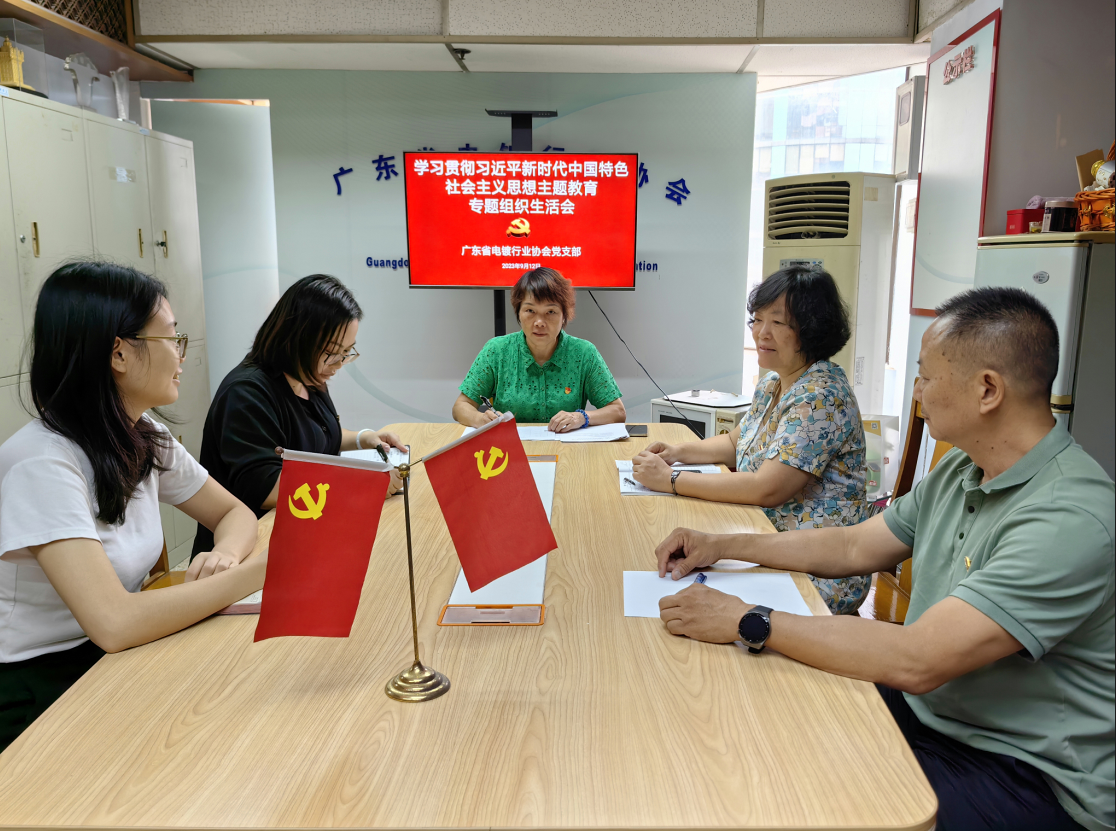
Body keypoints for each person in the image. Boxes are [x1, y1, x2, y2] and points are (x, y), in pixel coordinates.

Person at [654, 287, 1114, 831]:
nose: (916, 391)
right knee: (759, 726)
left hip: (1025, 769)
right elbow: (853, 546)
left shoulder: (1068, 516)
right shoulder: (963, 468)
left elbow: (919, 659)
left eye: (926, 376)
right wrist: (722, 544)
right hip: (934, 712)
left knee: (791, 798)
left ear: (988, 389)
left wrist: (747, 618)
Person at [0, 262, 266, 751]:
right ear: (119, 353)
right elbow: (114, 622)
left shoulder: (142, 433)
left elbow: (235, 513)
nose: (181, 355)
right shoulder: (41, 463)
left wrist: (226, 556)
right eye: (172, 338)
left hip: (113, 653)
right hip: (39, 686)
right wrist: (258, 572)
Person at [633, 266, 869, 614]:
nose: (762, 332)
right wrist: (678, 451)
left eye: (778, 322)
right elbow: (737, 442)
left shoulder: (821, 396)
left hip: (817, 570)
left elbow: (766, 488)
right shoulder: (775, 381)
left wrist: (671, 480)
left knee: (685, 600)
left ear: (812, 329)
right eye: (757, 320)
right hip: (767, 541)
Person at [193, 274, 403, 559]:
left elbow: (317, 437)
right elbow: (267, 488)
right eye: (332, 352)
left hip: (308, 531)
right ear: (296, 338)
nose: (339, 364)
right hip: (249, 552)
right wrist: (365, 485)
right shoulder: (246, 393)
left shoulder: (308, 377)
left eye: (347, 352)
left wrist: (365, 438)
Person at [453, 267, 625, 432]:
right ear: (518, 312)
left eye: (550, 312)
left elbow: (617, 411)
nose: (539, 322)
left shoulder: (584, 353)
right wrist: (480, 419)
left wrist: (581, 417)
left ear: (564, 315)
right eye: (530, 310)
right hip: (510, 448)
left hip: (565, 448)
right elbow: (461, 406)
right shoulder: (497, 350)